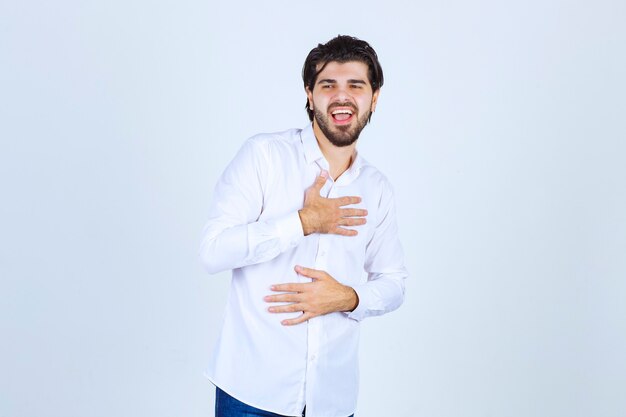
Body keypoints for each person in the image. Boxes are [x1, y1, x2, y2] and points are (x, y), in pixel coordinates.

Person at [199, 35, 408, 417]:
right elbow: (213, 251)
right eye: (328, 85)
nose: (341, 97)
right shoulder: (264, 156)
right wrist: (302, 222)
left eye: (356, 86)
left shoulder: (377, 189)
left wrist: (348, 297)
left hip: (333, 399)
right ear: (310, 94)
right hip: (252, 393)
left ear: (374, 98)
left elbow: (394, 282)